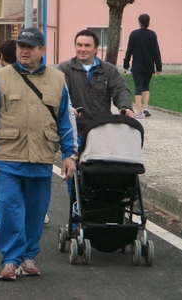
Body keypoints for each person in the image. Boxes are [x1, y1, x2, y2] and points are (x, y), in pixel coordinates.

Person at [0, 27, 77, 281]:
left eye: (31, 46)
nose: (24, 50)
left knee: (35, 211)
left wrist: (69, 154)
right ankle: (10, 260)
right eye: (21, 45)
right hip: (9, 157)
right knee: (10, 207)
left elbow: (66, 120)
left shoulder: (58, 80)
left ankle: (28, 256)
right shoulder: (2, 77)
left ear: (42, 50)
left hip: (42, 158)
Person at [58, 29, 135, 198]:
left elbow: (121, 91)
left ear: (96, 49)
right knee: (73, 176)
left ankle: (98, 212)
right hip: (74, 133)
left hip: (101, 132)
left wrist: (125, 107)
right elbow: (58, 93)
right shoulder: (65, 69)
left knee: (99, 175)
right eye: (79, 45)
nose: (82, 49)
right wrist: (67, 108)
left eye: (87, 45)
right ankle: (76, 213)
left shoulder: (109, 70)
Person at [0, 39, 50, 227]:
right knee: (19, 183)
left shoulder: (1, 78)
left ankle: (4, 215)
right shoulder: (47, 78)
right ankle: (36, 214)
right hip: (38, 145)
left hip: (8, 145)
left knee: (8, 186)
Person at [123, 13, 162, 118]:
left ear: (139, 22)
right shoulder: (152, 35)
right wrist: (159, 66)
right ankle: (146, 107)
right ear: (148, 22)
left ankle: (139, 111)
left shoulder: (134, 34)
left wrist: (126, 64)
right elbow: (156, 51)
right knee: (146, 86)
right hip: (149, 65)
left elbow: (129, 51)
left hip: (137, 66)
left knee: (138, 87)